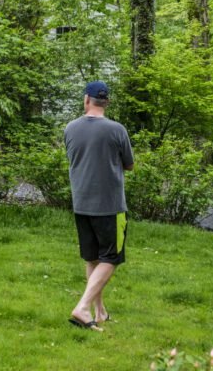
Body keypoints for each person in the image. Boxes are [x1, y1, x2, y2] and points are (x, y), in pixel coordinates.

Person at [64, 80, 134, 332]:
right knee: (111, 257)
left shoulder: (70, 128)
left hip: (81, 204)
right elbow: (129, 165)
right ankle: (82, 307)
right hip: (110, 207)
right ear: (107, 103)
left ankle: (99, 311)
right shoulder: (117, 130)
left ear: (86, 100)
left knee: (93, 258)